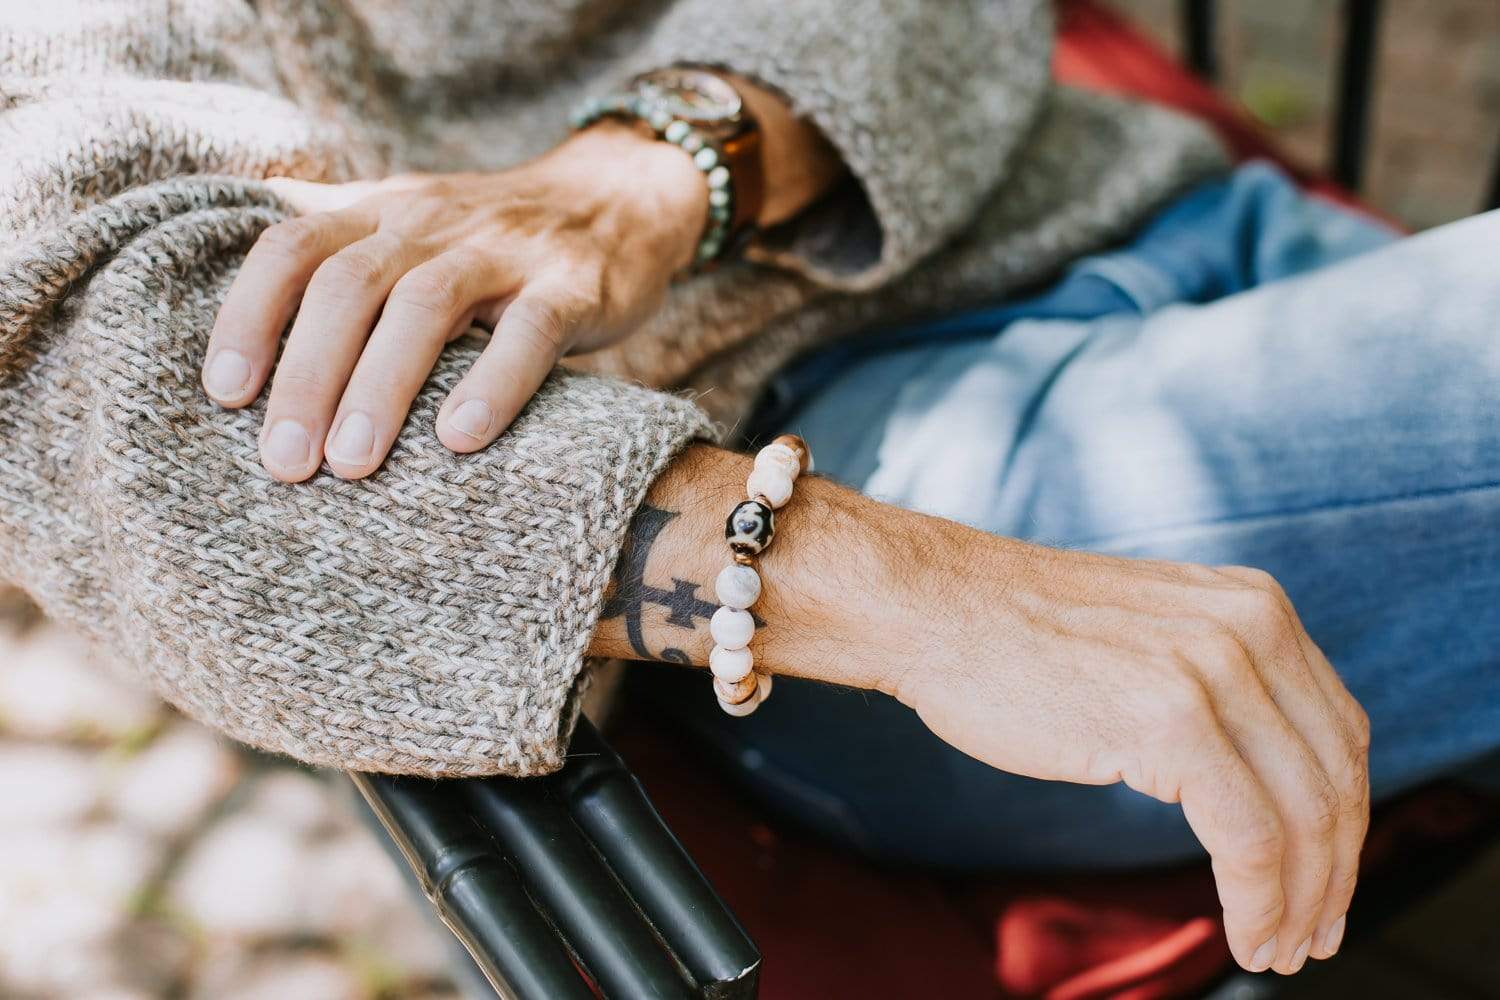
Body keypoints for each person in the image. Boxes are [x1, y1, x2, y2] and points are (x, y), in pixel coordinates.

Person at [1, 0, 1489, 980]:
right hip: (869, 489)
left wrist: (652, 172)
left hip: (1181, 220)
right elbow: (87, 373)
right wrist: (914, 593)